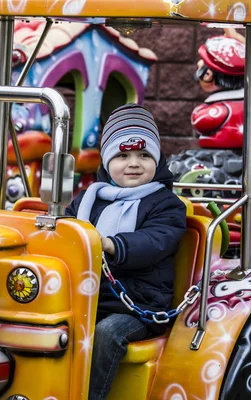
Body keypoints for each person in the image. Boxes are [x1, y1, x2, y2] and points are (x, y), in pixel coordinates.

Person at [65, 103, 187, 399]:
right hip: (88, 298)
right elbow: (65, 227)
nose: (134, 163)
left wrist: (111, 243)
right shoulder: (89, 199)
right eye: (122, 155)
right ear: (107, 162)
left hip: (137, 304)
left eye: (144, 155)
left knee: (108, 334)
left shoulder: (166, 204)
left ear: (156, 161)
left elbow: (154, 240)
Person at [192, 32, 245, 149]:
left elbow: (201, 122)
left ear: (208, 75)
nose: (198, 63)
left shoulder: (220, 108)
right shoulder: (247, 104)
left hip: (220, 155)